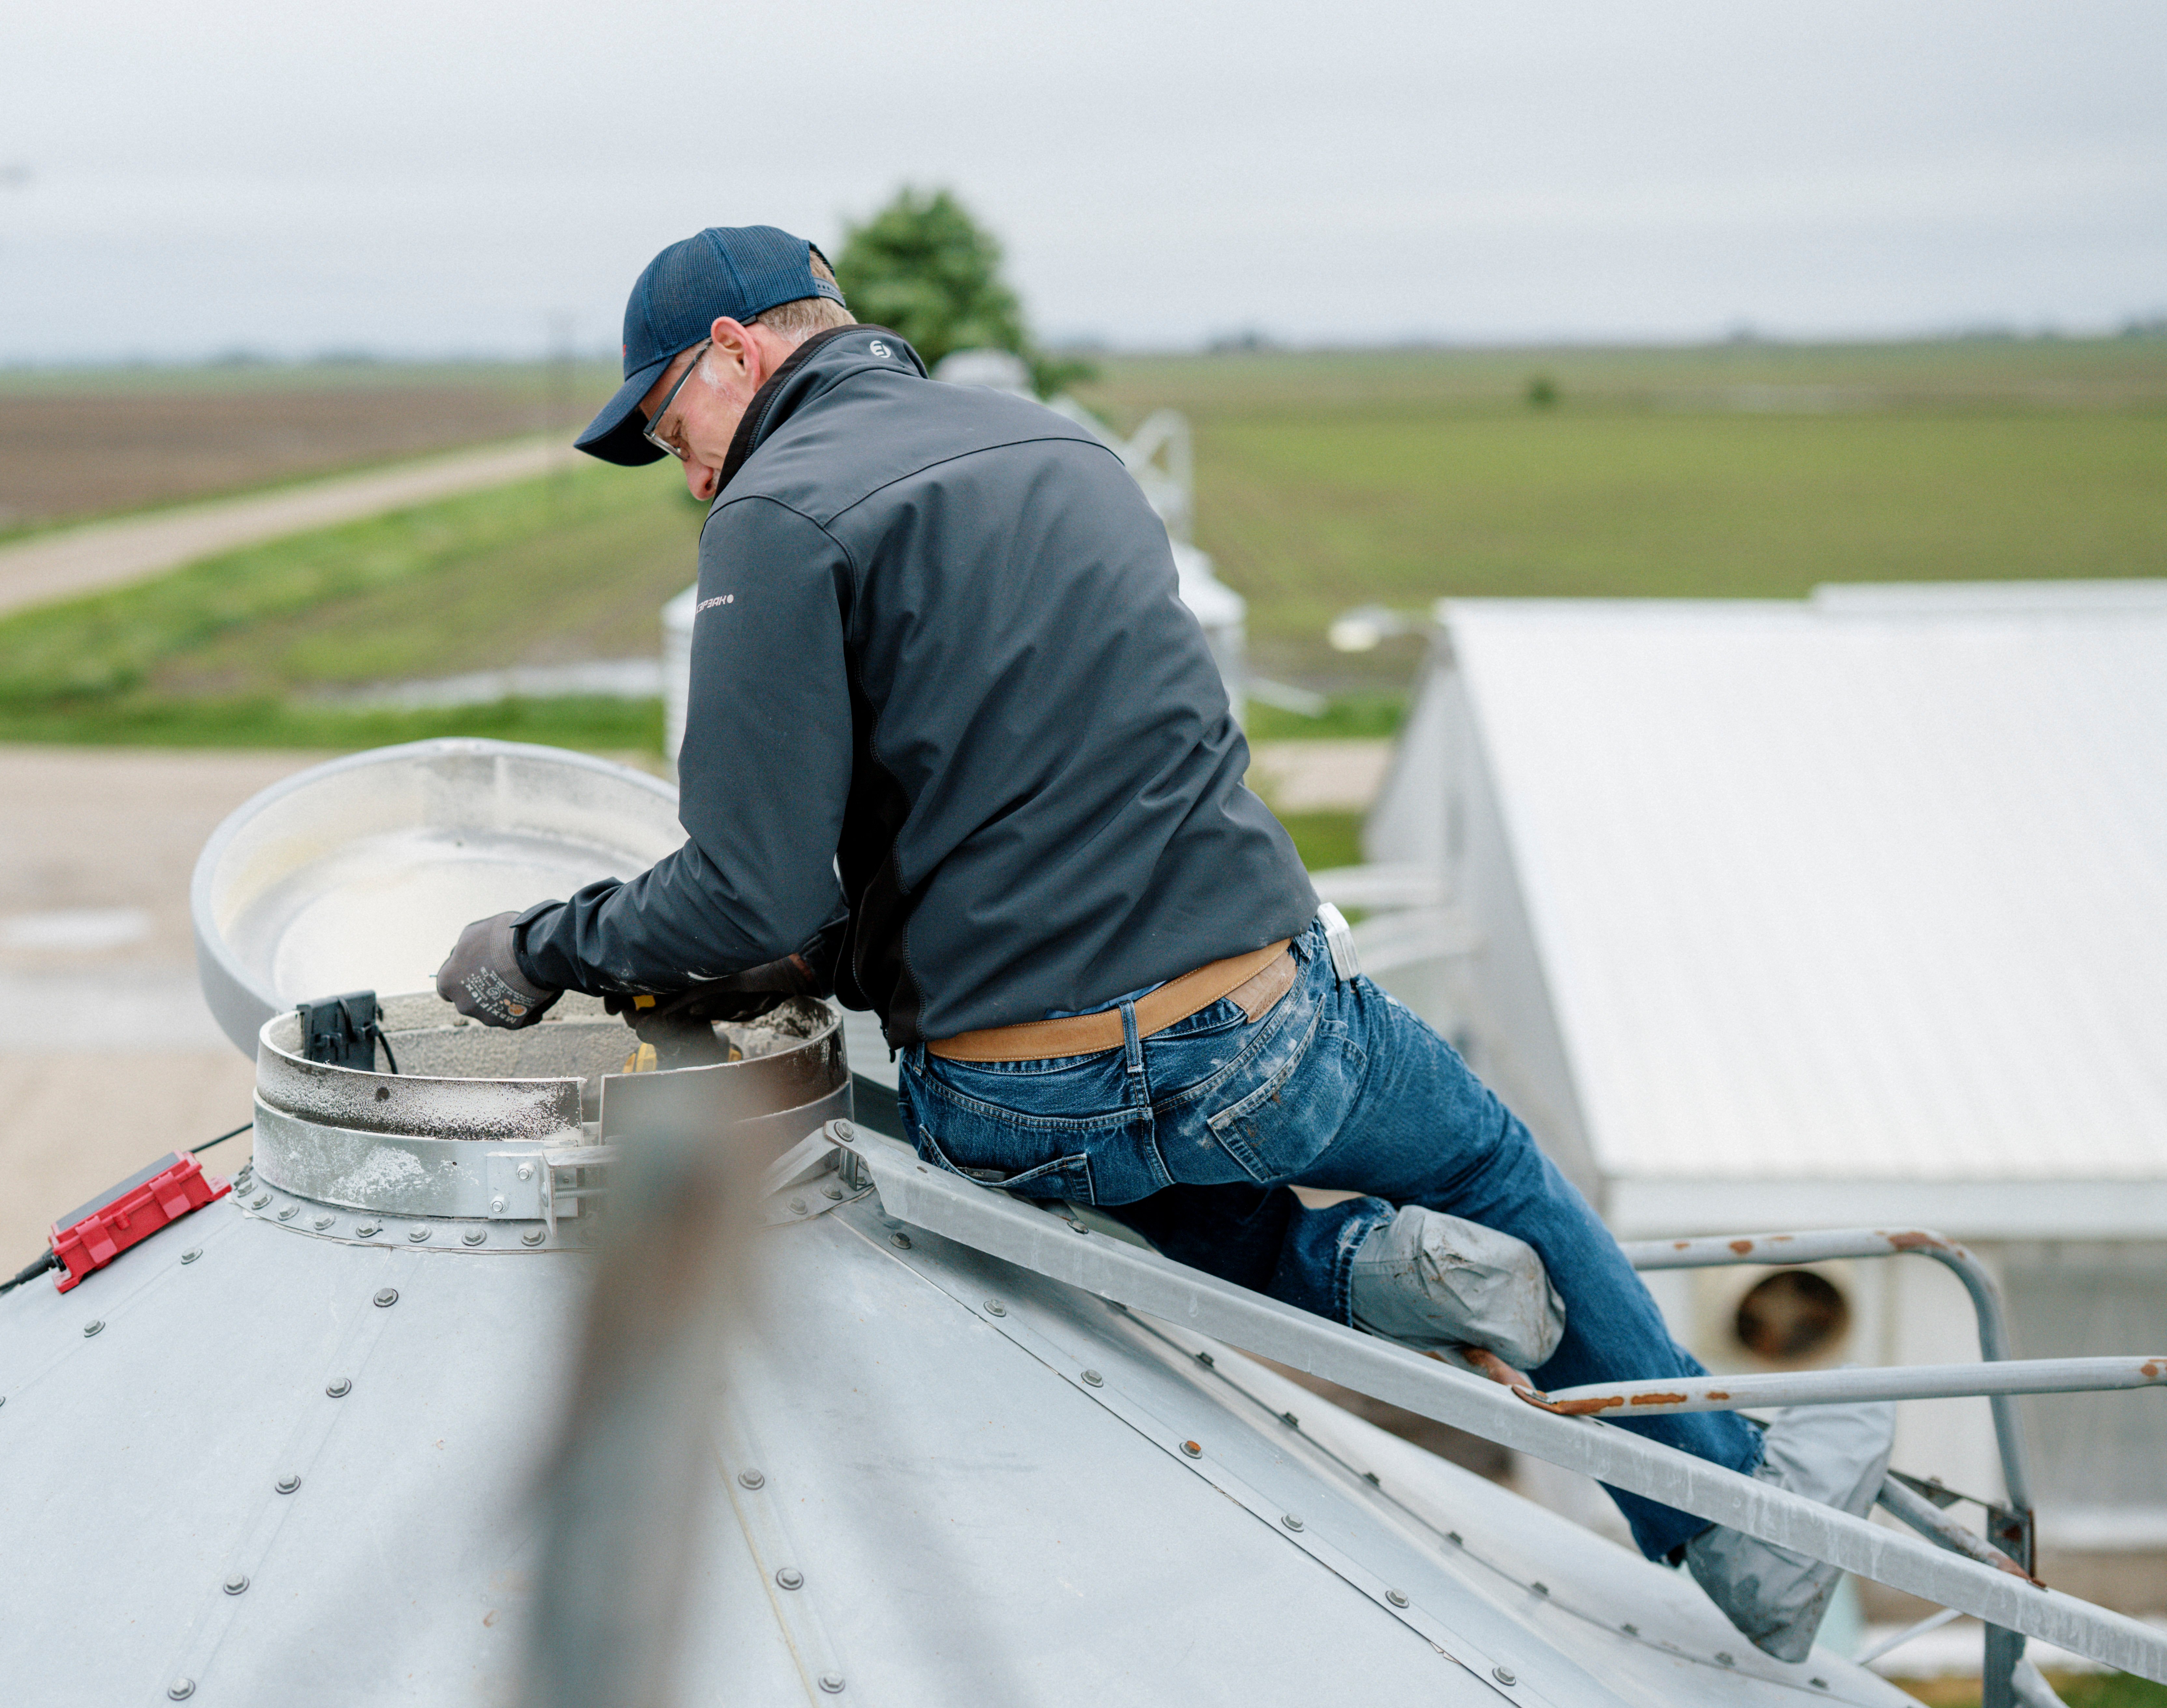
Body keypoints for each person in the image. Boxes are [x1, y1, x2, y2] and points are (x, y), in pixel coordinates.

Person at [435, 224, 1891, 1661]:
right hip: (1267, 1030)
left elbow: (751, 894)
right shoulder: (1068, 452)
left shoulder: (770, 516)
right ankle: (1733, 1525)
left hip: (1016, 1095)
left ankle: (1343, 1270)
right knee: (1489, 1166)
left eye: (668, 418)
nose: (683, 463)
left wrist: (547, 944)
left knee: (1080, 1185)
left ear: (737, 353)